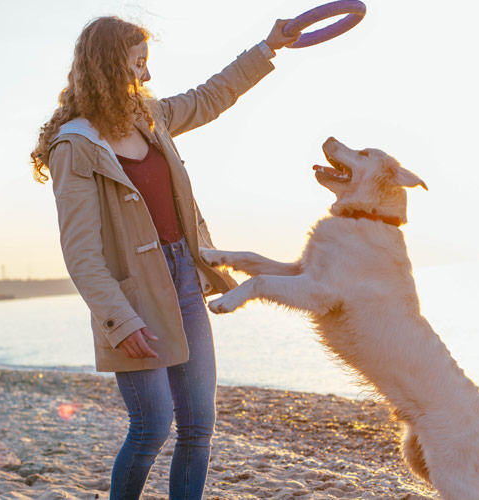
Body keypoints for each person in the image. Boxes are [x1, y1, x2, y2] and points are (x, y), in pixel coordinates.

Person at [30, 15, 300, 500]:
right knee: (151, 427)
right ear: (111, 66)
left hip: (185, 279)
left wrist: (268, 47)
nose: (147, 75)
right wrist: (120, 321)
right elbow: (81, 253)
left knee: (198, 428)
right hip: (134, 296)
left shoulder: (147, 116)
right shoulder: (74, 146)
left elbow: (209, 97)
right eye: (139, 64)